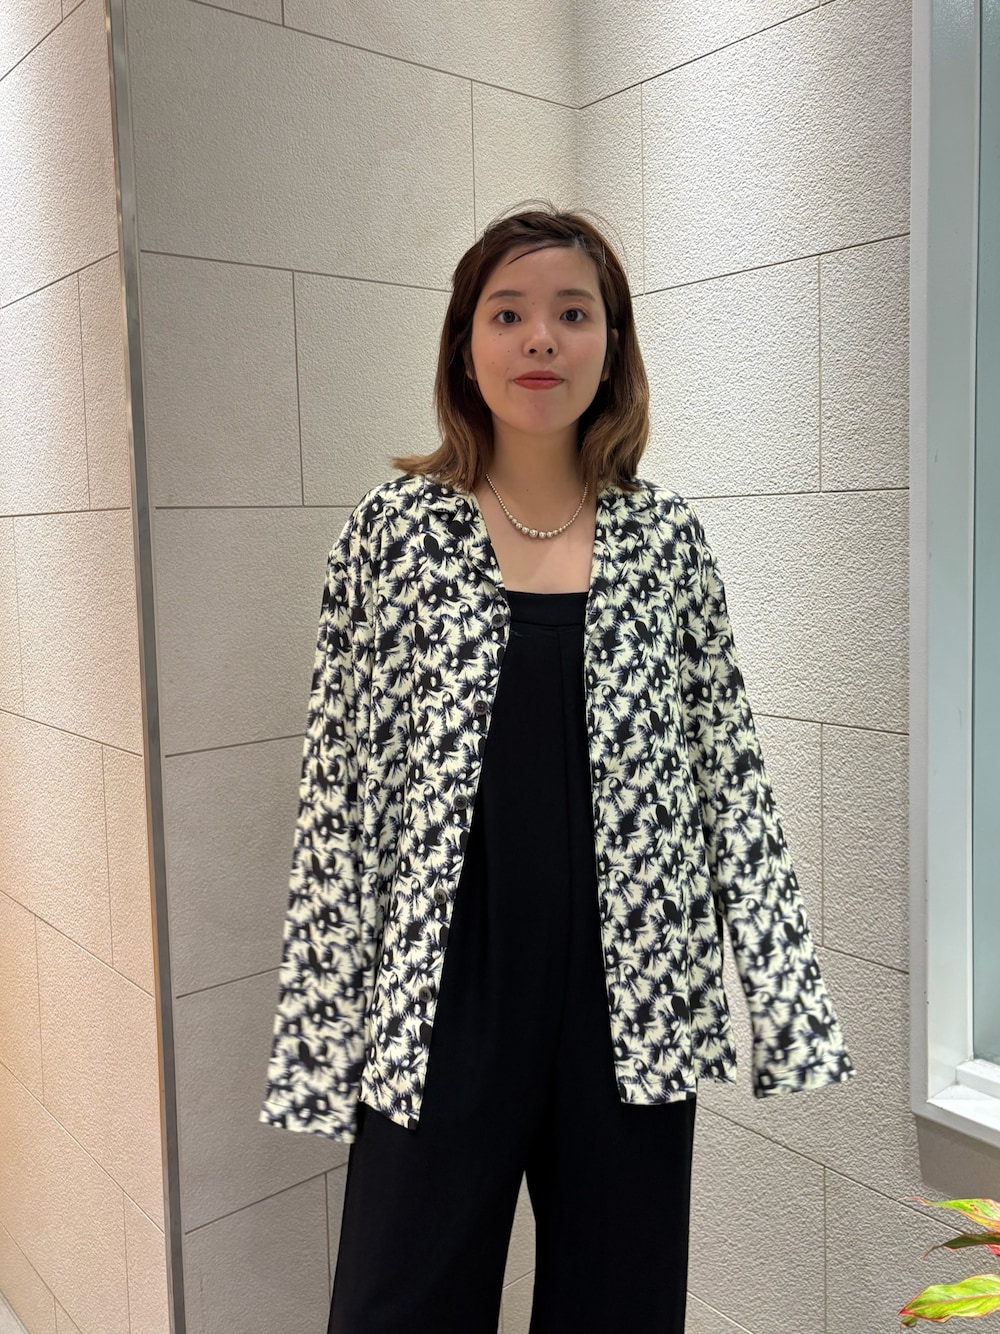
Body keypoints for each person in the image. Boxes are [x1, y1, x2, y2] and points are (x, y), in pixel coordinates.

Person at [258, 203, 855, 1333]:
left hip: (630, 998)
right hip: (441, 998)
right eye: (509, 314)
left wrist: (783, 997)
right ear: (463, 346)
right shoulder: (392, 534)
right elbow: (336, 798)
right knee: (396, 1302)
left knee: (618, 1307)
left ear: (612, 346)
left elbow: (730, 773)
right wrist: (325, 1035)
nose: (541, 338)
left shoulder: (665, 539)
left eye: (573, 314)